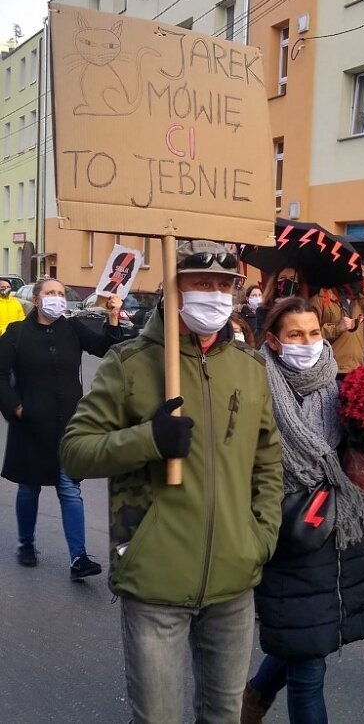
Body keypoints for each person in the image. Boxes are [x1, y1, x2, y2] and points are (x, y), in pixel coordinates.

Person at [60, 240, 284, 724]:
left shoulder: (250, 368)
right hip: (155, 577)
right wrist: (148, 439)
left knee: (223, 714)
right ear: (172, 288)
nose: (215, 294)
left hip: (233, 581)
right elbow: (74, 452)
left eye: (224, 285)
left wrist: (260, 538)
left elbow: (267, 461)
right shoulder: (129, 364)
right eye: (201, 282)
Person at [241, 297, 364, 724]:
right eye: (295, 335)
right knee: (308, 665)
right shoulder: (251, 385)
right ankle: (255, 698)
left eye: (314, 333)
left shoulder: (345, 388)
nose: (308, 342)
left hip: (337, 531)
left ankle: (255, 695)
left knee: (306, 644)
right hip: (283, 534)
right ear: (275, 342)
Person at [0, 278, 122, 576]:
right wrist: (14, 406)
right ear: (37, 299)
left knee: (70, 489)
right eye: (50, 293)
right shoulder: (17, 334)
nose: (57, 297)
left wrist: (114, 317)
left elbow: (105, 348)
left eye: (60, 293)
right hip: (30, 425)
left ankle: (78, 558)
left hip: (69, 424)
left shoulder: (72, 329)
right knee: (29, 488)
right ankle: (26, 543)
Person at [310, 265, 364, 377]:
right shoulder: (320, 300)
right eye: (356, 272)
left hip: (355, 372)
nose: (360, 278)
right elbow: (309, 337)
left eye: (363, 274)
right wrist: (337, 328)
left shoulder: (363, 300)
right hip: (328, 373)